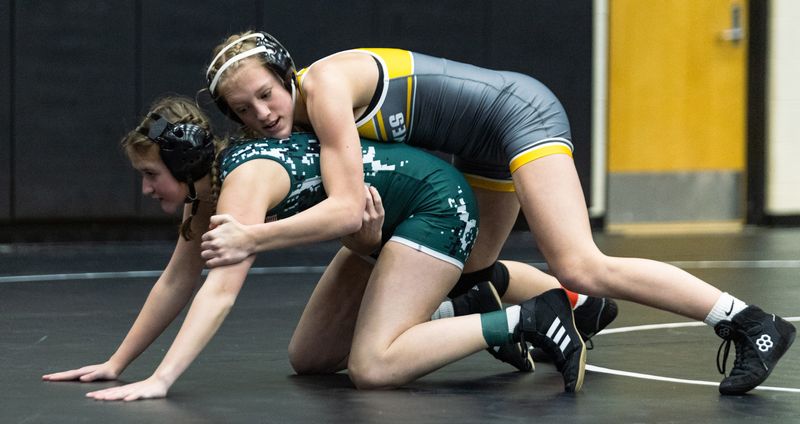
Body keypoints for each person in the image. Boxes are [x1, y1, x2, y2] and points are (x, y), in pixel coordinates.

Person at [202, 31, 795, 395]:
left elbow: (345, 207)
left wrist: (251, 235)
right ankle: (581, 309)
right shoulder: (299, 117)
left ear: (289, 75)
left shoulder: (325, 89)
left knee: (579, 260)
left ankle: (749, 322)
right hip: (479, 143)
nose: (261, 114)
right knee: (472, 263)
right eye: (243, 110)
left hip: (517, 113)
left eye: (266, 94)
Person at [41, 96, 588, 401]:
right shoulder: (202, 196)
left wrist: (161, 380)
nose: (144, 188)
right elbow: (177, 281)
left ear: (183, 167)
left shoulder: (244, 183)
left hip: (433, 206)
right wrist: (118, 363)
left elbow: (220, 291)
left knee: (373, 367)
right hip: (378, 223)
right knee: (312, 359)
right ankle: (466, 303)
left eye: (150, 174)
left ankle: (528, 318)